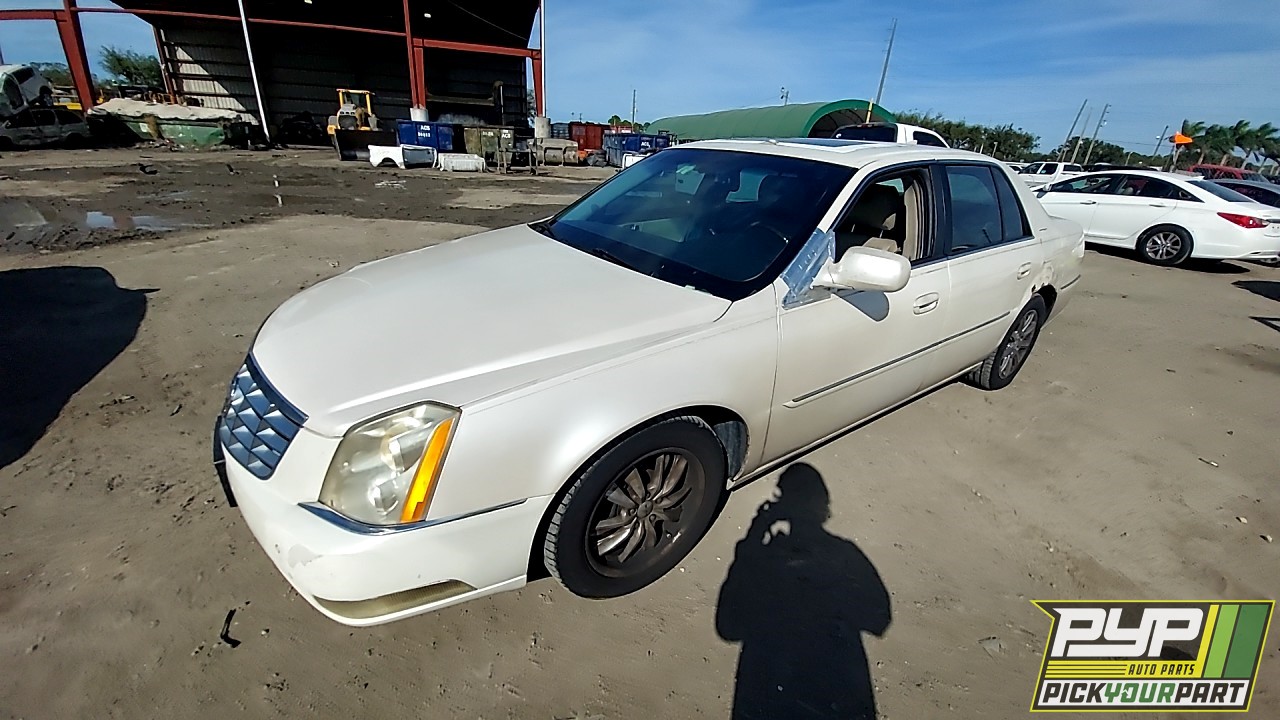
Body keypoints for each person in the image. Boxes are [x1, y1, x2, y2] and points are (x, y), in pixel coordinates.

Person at [716, 463, 892, 719]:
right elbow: (879, 618)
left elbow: (728, 627)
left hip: (768, 694)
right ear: (823, 507)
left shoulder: (762, 560)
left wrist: (754, 541)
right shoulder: (845, 555)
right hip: (834, 694)